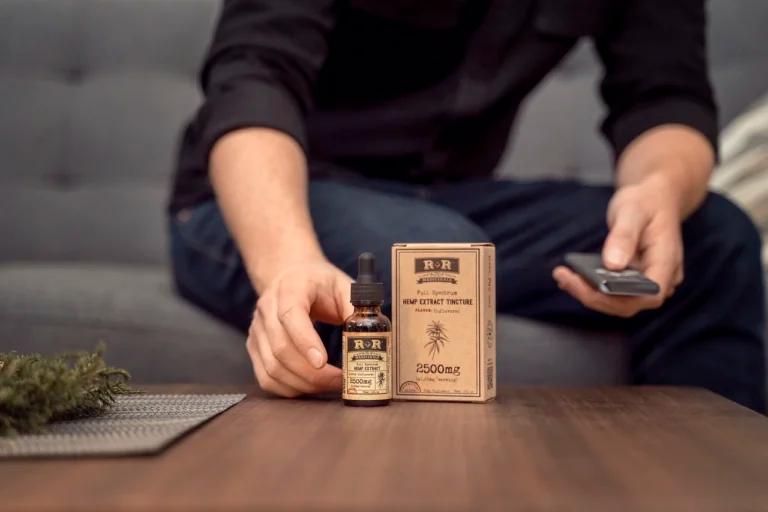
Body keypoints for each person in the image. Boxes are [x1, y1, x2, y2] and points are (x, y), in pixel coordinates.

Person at [168, 0, 766, 411]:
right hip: (264, 193)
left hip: (447, 201)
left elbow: (666, 97)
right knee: (436, 257)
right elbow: (254, 75)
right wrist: (285, 264)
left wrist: (656, 189)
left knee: (714, 233)